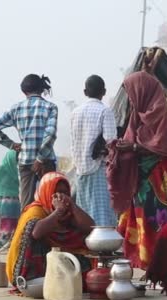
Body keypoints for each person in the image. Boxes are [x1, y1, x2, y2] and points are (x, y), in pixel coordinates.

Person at [107, 71, 167, 270]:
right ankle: (145, 263)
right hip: (140, 180)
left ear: (143, 92)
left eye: (132, 94)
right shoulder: (137, 114)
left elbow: (162, 146)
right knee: (141, 223)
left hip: (158, 180)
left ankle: (162, 266)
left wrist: (133, 148)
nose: (130, 100)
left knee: (157, 223)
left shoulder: (159, 112)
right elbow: (132, 139)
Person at [6, 172, 95, 289]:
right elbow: (36, 232)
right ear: (47, 192)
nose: (60, 196)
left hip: (62, 261)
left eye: (64, 193)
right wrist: (57, 212)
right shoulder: (35, 210)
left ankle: (75, 279)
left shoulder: (67, 211)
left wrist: (72, 205)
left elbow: (90, 227)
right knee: (35, 241)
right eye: (56, 192)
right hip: (38, 268)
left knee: (87, 239)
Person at [0, 74, 58, 210]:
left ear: (24, 91)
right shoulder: (50, 107)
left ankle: (27, 230)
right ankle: (50, 230)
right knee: (51, 203)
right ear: (41, 89)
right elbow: (50, 135)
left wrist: (11, 144)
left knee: (26, 205)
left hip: (25, 161)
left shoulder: (16, 109)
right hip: (46, 161)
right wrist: (40, 159)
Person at [71, 75, 117, 227]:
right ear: (104, 91)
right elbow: (111, 142)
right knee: (102, 212)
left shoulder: (75, 113)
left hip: (80, 169)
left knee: (84, 212)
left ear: (85, 92)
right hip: (99, 168)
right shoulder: (105, 111)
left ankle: (85, 246)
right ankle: (102, 248)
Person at [0, 150, 22, 245]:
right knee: (13, 227)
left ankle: (4, 246)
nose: (16, 160)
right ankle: (10, 245)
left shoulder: (3, 169)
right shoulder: (16, 169)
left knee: (7, 227)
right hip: (16, 202)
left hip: (6, 203)